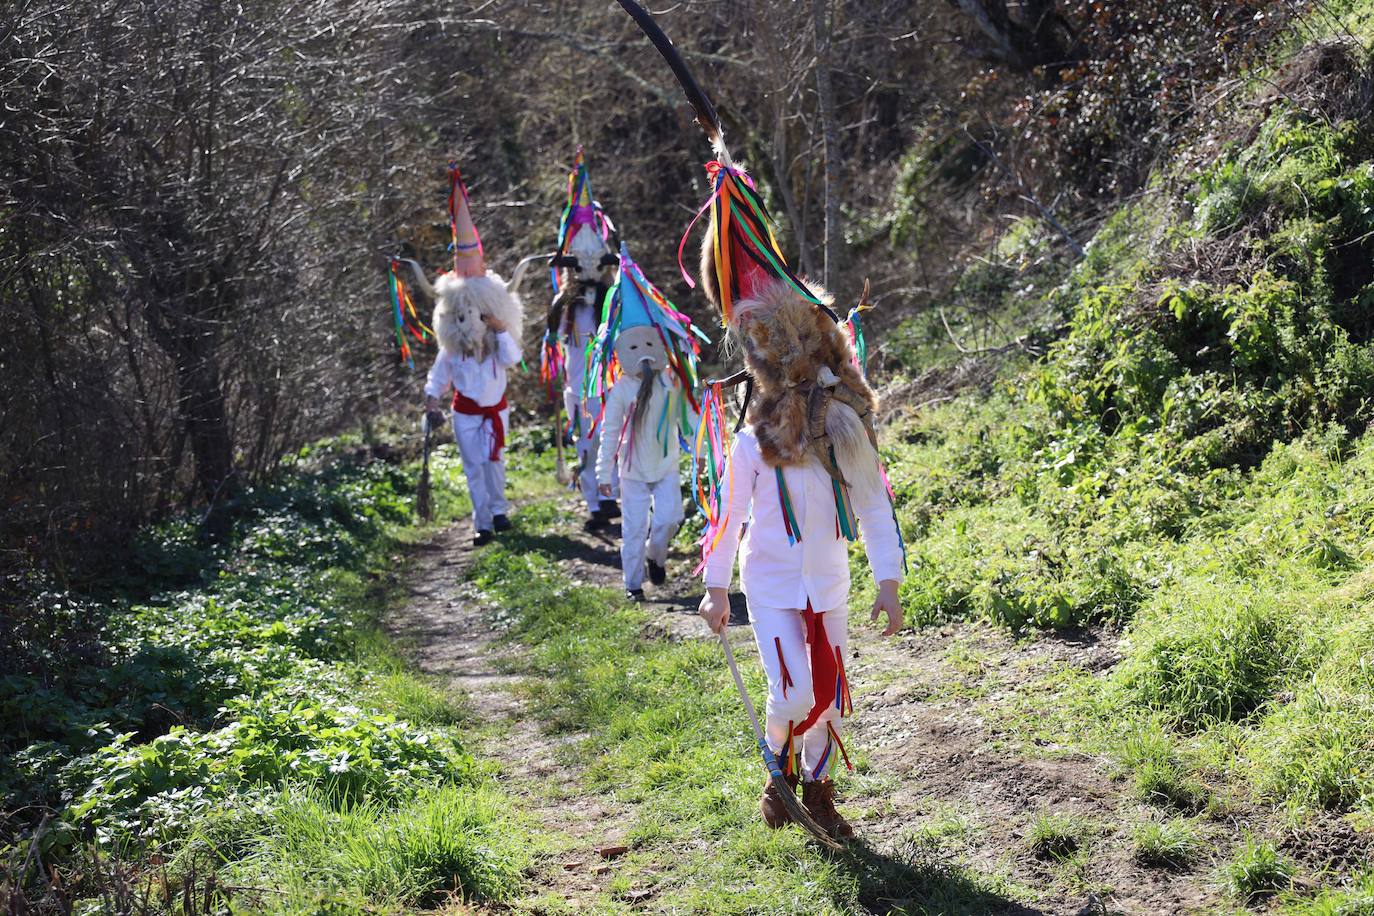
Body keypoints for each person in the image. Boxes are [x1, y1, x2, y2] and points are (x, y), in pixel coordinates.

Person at [689, 156, 906, 840]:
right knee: (793, 693)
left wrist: (889, 581)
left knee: (832, 697)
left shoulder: (845, 432)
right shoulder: (753, 444)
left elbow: (872, 503)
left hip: (831, 582)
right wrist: (717, 588)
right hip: (775, 583)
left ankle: (816, 792)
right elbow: (727, 520)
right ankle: (774, 767)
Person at [406, 164, 525, 546]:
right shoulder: (453, 348)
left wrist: (500, 328)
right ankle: (482, 522)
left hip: (497, 409)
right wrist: (430, 398)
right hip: (466, 413)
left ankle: (500, 510)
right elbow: (439, 375)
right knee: (474, 465)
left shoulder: (496, 343)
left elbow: (512, 358)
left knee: (495, 462)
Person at [592, 242, 706, 600]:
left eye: (648, 346)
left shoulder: (671, 381)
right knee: (634, 527)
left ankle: (657, 556)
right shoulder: (621, 390)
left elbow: (688, 416)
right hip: (632, 472)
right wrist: (602, 473)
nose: (642, 356)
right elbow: (610, 432)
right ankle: (632, 585)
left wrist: (701, 449)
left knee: (670, 518)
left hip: (667, 465)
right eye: (634, 348)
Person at [544, 147, 621, 530]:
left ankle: (610, 498)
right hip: (579, 390)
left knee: (613, 444)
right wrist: (566, 300)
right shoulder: (568, 309)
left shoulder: (612, 303)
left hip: (609, 389)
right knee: (586, 446)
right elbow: (553, 338)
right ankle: (594, 504)